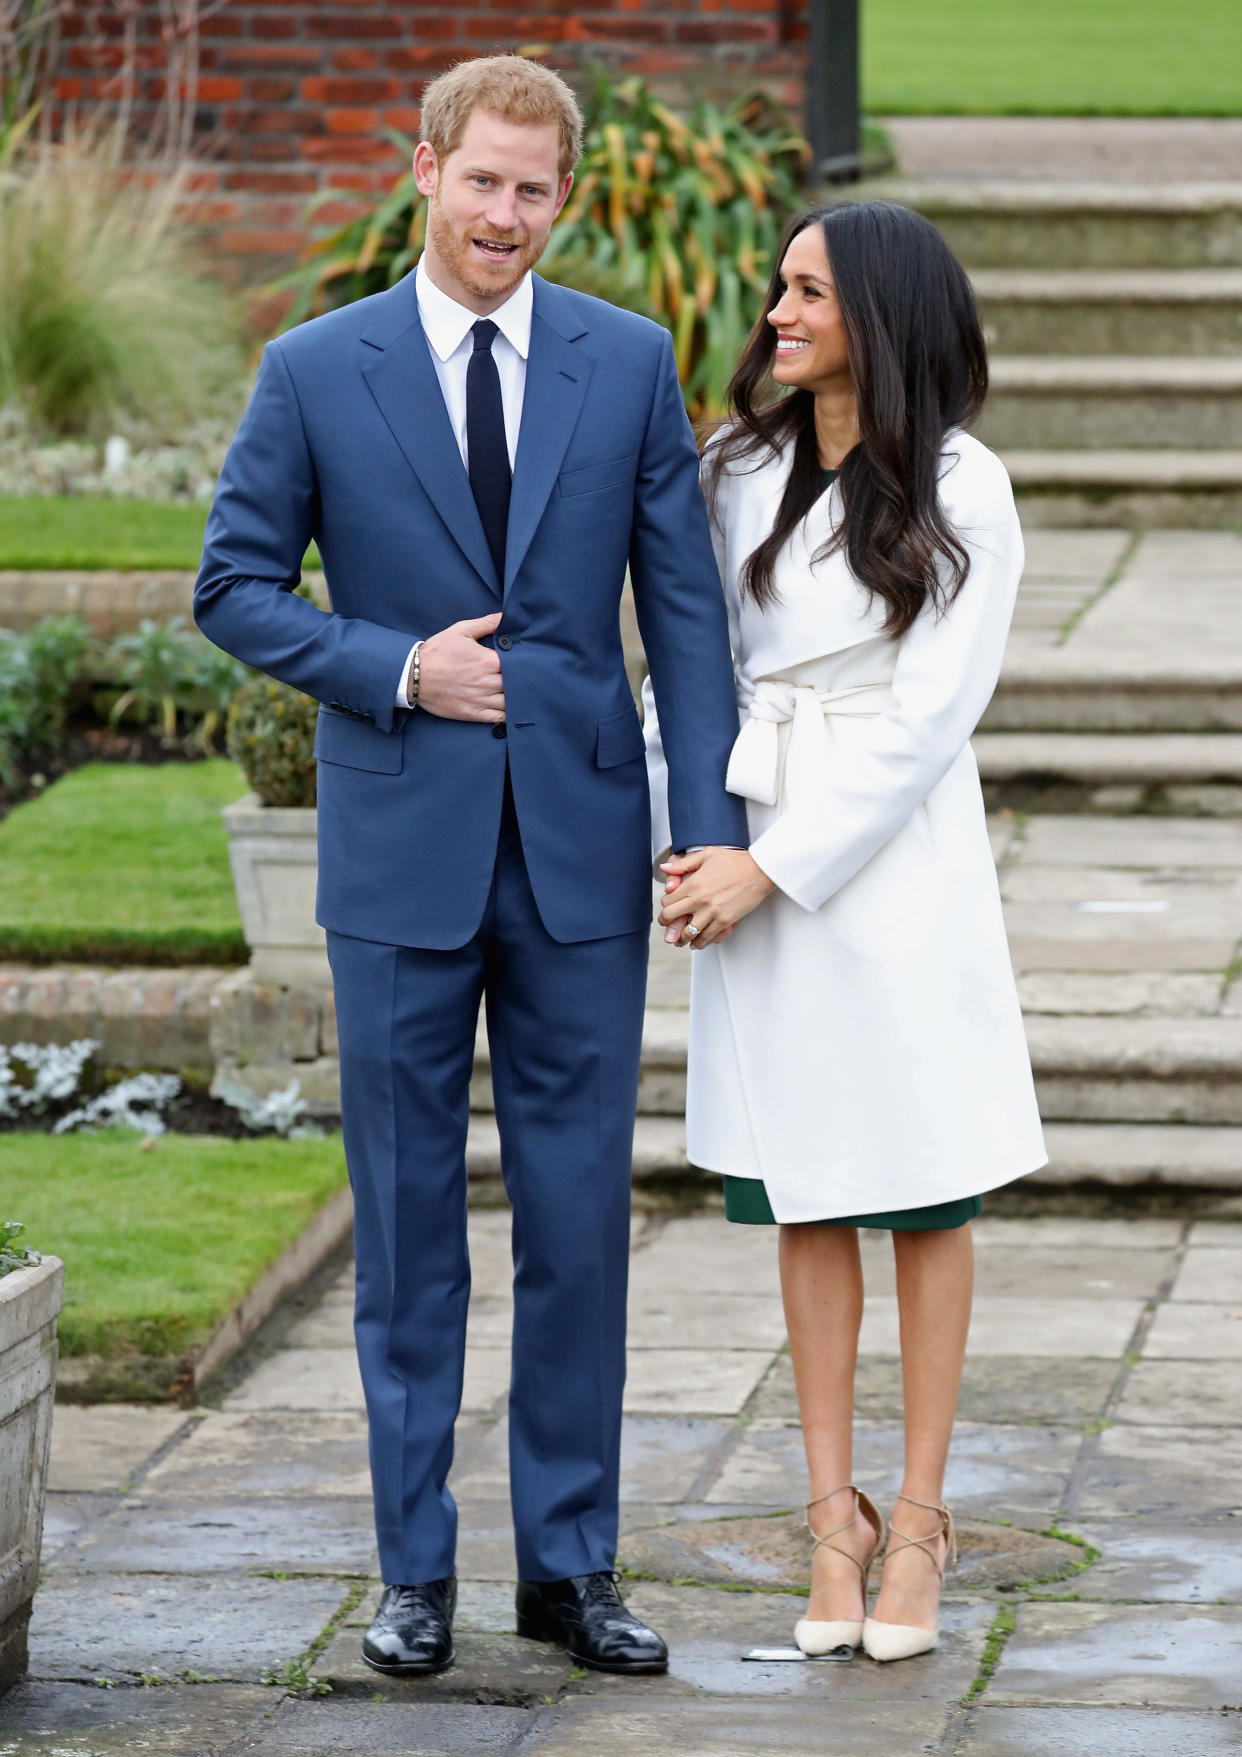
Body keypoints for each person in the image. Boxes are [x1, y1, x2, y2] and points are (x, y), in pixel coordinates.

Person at [195, 54, 748, 1679]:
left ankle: (570, 1569)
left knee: (578, 1218)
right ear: (422, 168)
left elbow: (687, 612)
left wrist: (705, 819)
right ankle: (413, 1571)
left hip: (580, 853)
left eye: (534, 189)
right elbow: (232, 584)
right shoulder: (315, 368)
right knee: (408, 1222)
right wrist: (391, 665)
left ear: (558, 201)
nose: (505, 214)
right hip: (398, 854)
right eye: (482, 179)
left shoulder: (628, 363)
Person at [645, 201, 1047, 1664]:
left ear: (879, 311)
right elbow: (683, 666)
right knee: (800, 1187)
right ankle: (832, 1513)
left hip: (896, 866)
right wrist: (689, 843)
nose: (774, 310)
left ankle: (923, 1517)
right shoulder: (729, 466)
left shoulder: (963, 486)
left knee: (923, 1186)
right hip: (748, 825)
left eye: (807, 289)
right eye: (777, 286)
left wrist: (773, 869)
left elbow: (929, 717)